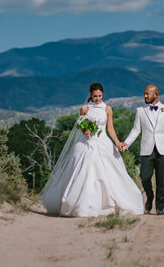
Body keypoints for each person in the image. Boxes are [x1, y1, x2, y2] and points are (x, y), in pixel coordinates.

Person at [41, 82, 143, 217]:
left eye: (100, 96)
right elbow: (81, 126)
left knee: (111, 173)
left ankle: (110, 204)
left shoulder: (107, 109)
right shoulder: (85, 108)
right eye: (95, 96)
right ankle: (82, 205)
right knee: (86, 172)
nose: (98, 99)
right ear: (90, 95)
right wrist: (85, 131)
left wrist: (117, 142)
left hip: (103, 143)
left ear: (103, 95)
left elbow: (110, 128)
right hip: (87, 144)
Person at [120, 84, 164, 215]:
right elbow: (136, 130)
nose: (145, 96)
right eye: (144, 94)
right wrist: (126, 143)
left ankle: (159, 208)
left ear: (156, 95)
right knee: (144, 177)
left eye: (147, 94)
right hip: (146, 149)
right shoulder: (140, 111)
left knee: (161, 180)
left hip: (163, 149)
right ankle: (149, 195)